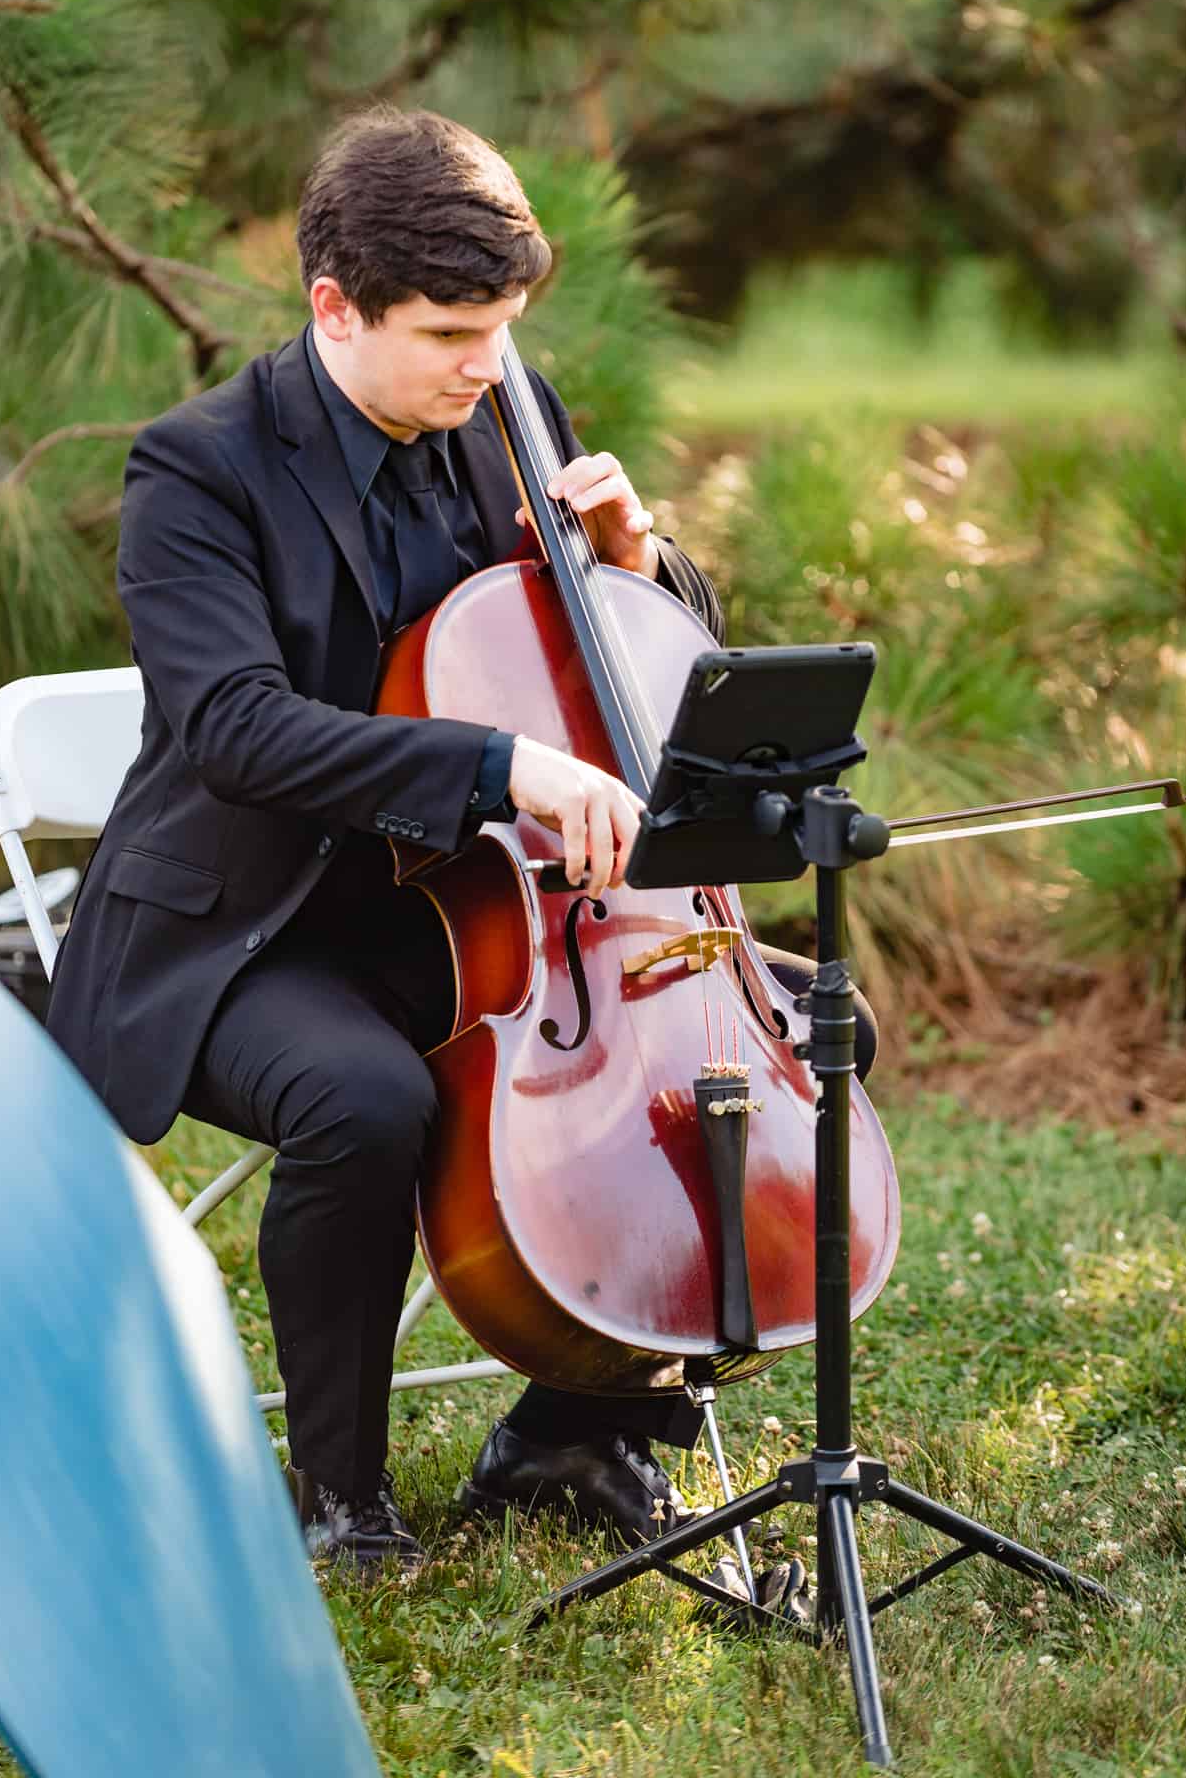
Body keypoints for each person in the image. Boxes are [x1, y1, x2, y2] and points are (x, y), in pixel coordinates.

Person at [46, 105, 875, 1573]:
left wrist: (646, 564)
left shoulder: (511, 412)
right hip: (249, 926)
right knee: (365, 1100)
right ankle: (343, 1502)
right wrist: (504, 766)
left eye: (502, 328)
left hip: (483, 916)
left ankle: (579, 1426)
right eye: (447, 334)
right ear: (334, 307)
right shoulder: (198, 471)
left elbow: (620, 670)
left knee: (779, 1035)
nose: (486, 367)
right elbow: (235, 730)